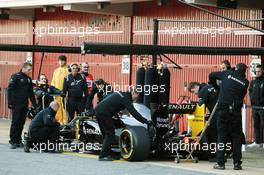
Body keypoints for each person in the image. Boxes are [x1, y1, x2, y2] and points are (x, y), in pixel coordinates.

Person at [209, 63, 249, 170]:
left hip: (223, 109)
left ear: (235, 68)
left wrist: (217, 87)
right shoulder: (245, 82)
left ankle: (220, 163)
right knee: (236, 137)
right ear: (245, 71)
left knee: (221, 136)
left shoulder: (227, 74)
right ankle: (237, 163)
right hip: (235, 111)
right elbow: (241, 95)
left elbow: (211, 75)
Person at [95, 88, 153, 161]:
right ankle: (103, 156)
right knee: (110, 134)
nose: (136, 98)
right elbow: (134, 113)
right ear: (134, 93)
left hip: (99, 110)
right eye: (136, 96)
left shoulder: (120, 93)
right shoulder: (126, 98)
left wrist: (114, 111)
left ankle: (107, 153)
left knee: (106, 134)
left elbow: (105, 97)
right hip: (104, 113)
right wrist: (146, 121)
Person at [7, 62, 37, 149]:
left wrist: (34, 104)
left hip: (24, 104)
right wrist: (10, 102)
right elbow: (10, 89)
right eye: (29, 69)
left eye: (31, 69)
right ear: (23, 68)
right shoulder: (15, 76)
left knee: (21, 122)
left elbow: (31, 93)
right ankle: (13, 140)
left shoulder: (28, 79)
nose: (30, 71)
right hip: (16, 103)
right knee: (15, 122)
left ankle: (18, 140)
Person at [188, 81, 218, 160]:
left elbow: (200, 106)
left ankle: (216, 156)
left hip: (217, 112)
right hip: (222, 111)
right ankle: (223, 153)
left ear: (195, 87)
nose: (195, 94)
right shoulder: (208, 86)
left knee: (213, 134)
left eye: (193, 92)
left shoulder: (202, 91)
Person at [248, 64, 264, 148]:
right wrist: (253, 102)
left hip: (262, 107)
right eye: (256, 71)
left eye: (259, 71)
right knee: (256, 124)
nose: (257, 73)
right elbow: (250, 92)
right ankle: (257, 142)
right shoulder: (253, 82)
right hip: (254, 107)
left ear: (262, 72)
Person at [51, 55, 69, 125]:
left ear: (65, 61)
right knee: (58, 107)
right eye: (60, 60)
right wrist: (53, 89)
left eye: (62, 60)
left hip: (65, 93)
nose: (61, 62)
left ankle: (65, 121)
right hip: (57, 93)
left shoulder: (68, 70)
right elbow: (53, 81)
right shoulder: (56, 71)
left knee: (65, 107)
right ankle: (59, 121)